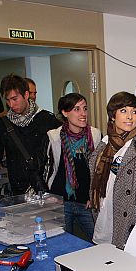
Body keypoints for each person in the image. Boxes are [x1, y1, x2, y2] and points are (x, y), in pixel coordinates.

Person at [0, 74, 61, 212]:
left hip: (48, 191)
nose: (11, 105)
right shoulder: (2, 124)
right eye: (8, 100)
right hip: (19, 193)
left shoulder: (46, 119)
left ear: (26, 94)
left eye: (15, 99)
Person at [90, 92, 136, 247]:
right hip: (104, 211)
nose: (130, 117)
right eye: (123, 111)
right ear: (112, 116)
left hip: (128, 217)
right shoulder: (105, 142)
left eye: (134, 112)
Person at [45, 93, 102, 240]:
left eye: (85, 108)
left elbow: (98, 170)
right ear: (65, 112)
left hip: (86, 203)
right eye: (76, 109)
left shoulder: (95, 135)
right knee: (63, 245)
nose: (83, 114)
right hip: (61, 202)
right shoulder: (54, 136)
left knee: (97, 242)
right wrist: (49, 195)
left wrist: (94, 195)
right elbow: (47, 169)